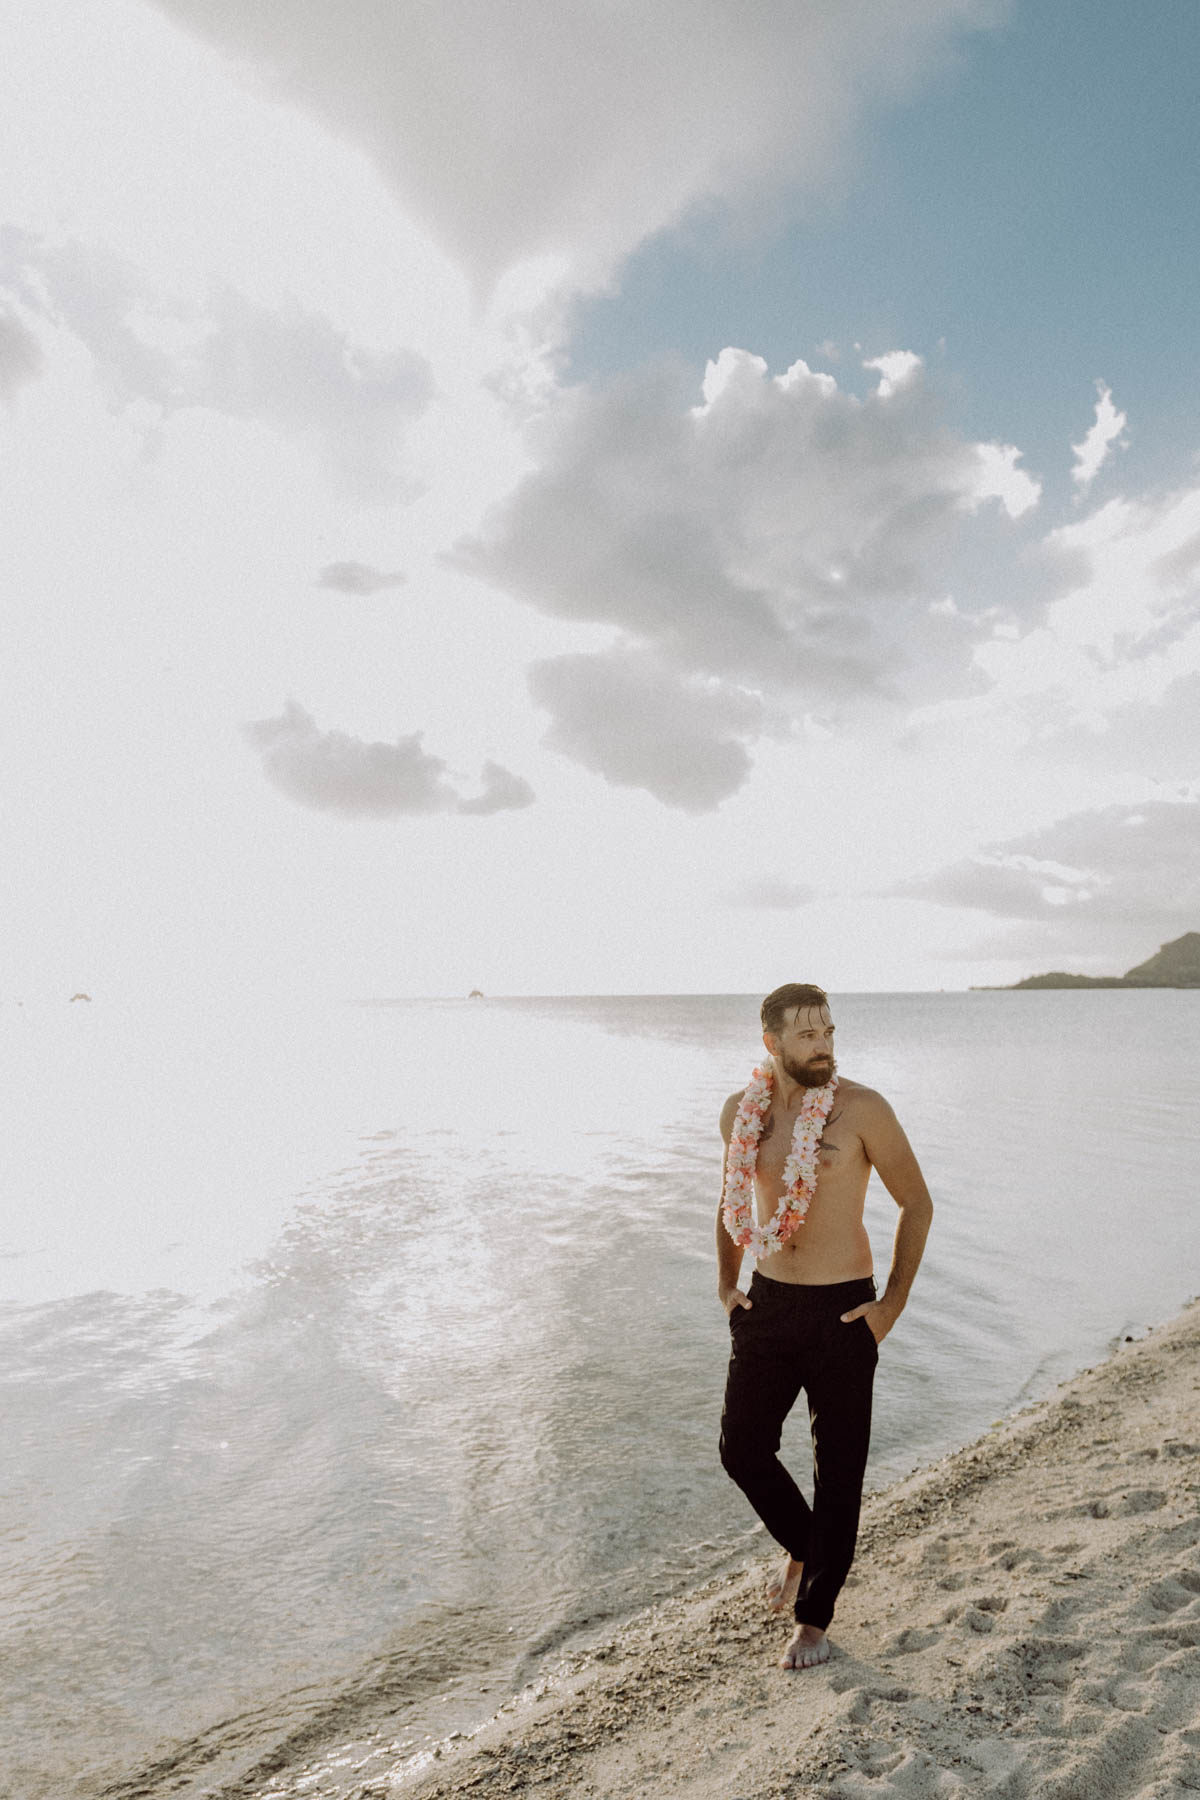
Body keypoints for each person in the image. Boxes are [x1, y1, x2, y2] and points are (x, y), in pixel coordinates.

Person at [717, 982, 933, 1670]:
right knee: (741, 1447)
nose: (824, 1047)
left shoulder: (863, 1109)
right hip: (768, 1304)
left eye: (830, 1033)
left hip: (844, 1311)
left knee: (838, 1469)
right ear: (772, 1043)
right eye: (808, 1036)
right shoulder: (741, 1114)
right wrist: (726, 1284)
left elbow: (916, 1203)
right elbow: (729, 1200)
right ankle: (806, 1546)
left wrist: (890, 1306)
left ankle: (815, 1619)